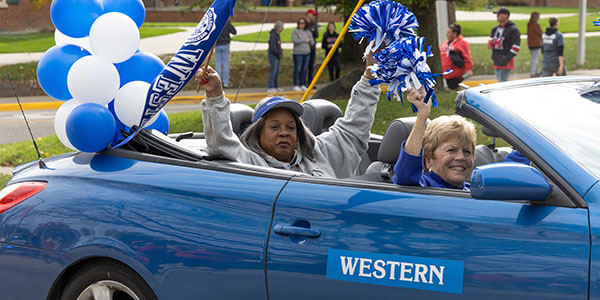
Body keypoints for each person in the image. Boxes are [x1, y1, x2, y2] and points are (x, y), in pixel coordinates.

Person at [195, 54, 381, 179]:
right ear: (258, 133)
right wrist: (215, 95)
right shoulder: (250, 163)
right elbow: (221, 142)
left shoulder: (318, 154)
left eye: (291, 127)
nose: (284, 133)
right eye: (274, 127)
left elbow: (353, 130)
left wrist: (371, 75)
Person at [393, 89, 476, 190]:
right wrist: (422, 114)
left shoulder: (475, 191)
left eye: (467, 152)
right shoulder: (423, 187)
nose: (461, 157)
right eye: (451, 150)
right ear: (428, 159)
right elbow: (406, 175)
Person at [488, 7, 521, 82]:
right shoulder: (495, 29)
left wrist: (507, 58)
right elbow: (492, 42)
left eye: (499, 14)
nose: (497, 16)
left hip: (506, 60)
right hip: (496, 58)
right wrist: (491, 45)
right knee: (499, 79)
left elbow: (516, 46)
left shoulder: (513, 30)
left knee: (502, 81)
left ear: (506, 16)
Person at [439, 23, 473, 90]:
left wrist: (468, 69)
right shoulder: (444, 44)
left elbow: (467, 57)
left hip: (457, 73)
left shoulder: (462, 43)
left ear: (455, 34)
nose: (447, 34)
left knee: (454, 88)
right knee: (451, 88)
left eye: (449, 32)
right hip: (446, 73)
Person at [292, 17, 314, 91]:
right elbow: (295, 40)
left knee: (304, 69)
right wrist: (304, 40)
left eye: (303, 23)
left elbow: (312, 42)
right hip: (298, 53)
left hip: (307, 53)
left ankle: (302, 84)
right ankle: (295, 84)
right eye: (300, 23)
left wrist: (309, 40)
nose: (301, 24)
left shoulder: (308, 32)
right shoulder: (295, 32)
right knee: (298, 69)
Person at [214, 20, 237, 88]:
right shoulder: (227, 23)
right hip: (226, 44)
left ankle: (218, 82)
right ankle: (226, 82)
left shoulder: (216, 22)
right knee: (226, 63)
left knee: (218, 63)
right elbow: (234, 32)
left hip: (217, 45)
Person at [267, 21, 284, 93]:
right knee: (273, 71)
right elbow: (273, 48)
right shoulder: (273, 36)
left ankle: (276, 86)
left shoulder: (277, 35)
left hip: (277, 56)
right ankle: (270, 86)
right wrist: (278, 53)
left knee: (277, 71)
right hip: (273, 55)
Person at [305, 9, 320, 88]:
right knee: (304, 66)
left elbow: (316, 35)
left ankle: (310, 83)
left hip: (312, 48)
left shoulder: (314, 24)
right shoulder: (303, 23)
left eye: (315, 15)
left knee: (311, 66)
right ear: (308, 14)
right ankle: (303, 83)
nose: (314, 17)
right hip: (304, 48)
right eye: (313, 15)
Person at [527, 12, 543, 77]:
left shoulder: (529, 24)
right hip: (536, 43)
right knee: (535, 59)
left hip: (530, 44)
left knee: (534, 58)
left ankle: (537, 71)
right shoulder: (536, 25)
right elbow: (541, 34)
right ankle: (532, 73)